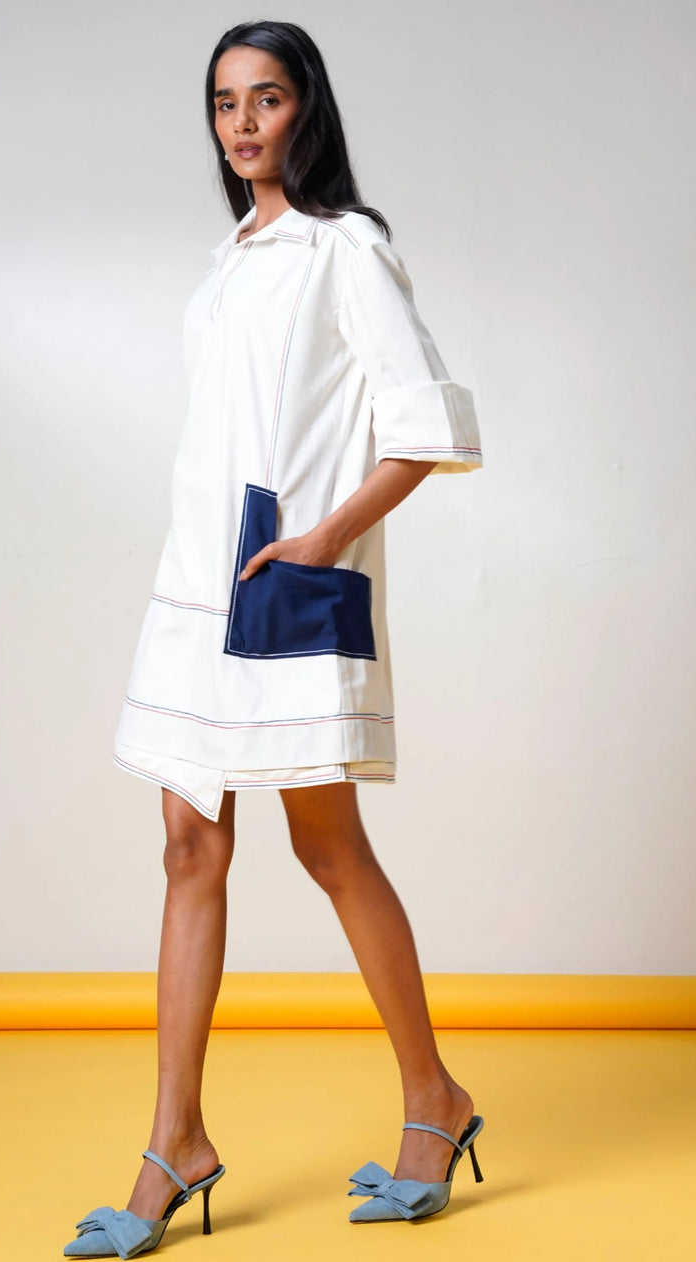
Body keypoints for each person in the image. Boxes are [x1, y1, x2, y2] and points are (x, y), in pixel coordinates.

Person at [65, 18, 484, 1260]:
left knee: (327, 843)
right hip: (196, 587)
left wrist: (323, 539)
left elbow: (428, 425)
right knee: (188, 841)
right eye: (224, 102)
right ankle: (176, 1139)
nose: (242, 123)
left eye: (266, 98)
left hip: (283, 587)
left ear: (308, 108)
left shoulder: (343, 248)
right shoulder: (231, 259)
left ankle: (434, 1096)